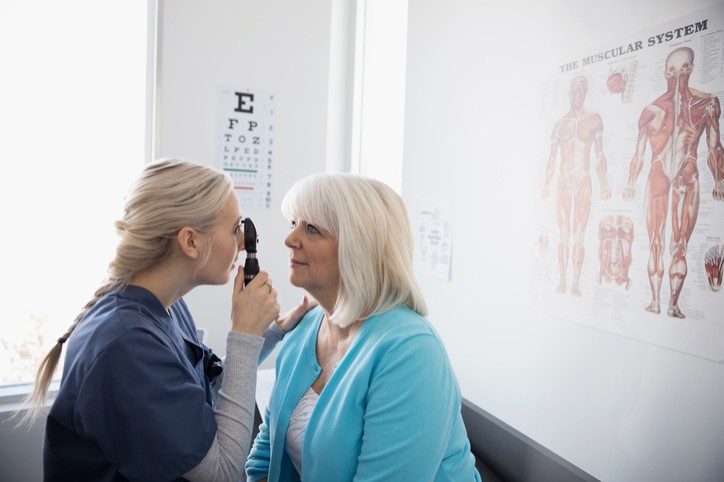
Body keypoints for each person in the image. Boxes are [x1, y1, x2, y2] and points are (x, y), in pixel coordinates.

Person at [19, 159, 313, 481]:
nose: (243, 243)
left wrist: (270, 331)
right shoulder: (126, 345)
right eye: (233, 229)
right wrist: (243, 333)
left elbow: (204, 385)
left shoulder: (165, 308)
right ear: (190, 242)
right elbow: (223, 472)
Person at [245, 173, 481, 481]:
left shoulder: (411, 352)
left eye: (312, 229)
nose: (290, 239)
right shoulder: (304, 329)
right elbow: (266, 455)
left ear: (358, 248)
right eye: (294, 224)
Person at [623, 46, 724, 318]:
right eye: (672, 72)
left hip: (686, 171)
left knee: (679, 243)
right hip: (660, 171)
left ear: (690, 69)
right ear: (665, 73)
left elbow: (715, 146)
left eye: (683, 70)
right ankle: (657, 302)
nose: (678, 78)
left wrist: (720, 180)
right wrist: (631, 182)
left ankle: (672, 304)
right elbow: (638, 153)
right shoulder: (650, 110)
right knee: (656, 241)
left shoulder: (708, 103)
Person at [541, 75, 612, 297]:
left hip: (583, 182)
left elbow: (600, 154)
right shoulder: (560, 124)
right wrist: (546, 184)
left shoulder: (594, 120)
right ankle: (562, 281)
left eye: (581, 89)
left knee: (579, 235)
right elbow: (552, 158)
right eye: (574, 89)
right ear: (569, 93)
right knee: (564, 234)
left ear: (586, 91)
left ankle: (575, 284)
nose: (577, 93)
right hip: (563, 183)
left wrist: (604, 184)